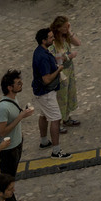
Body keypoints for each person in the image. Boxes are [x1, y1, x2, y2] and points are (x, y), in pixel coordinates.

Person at [31, 25, 69, 157]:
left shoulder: (40, 51)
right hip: (46, 93)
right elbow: (46, 79)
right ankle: (56, 151)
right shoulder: (42, 56)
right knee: (55, 118)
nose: (53, 39)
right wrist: (58, 69)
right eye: (51, 37)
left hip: (41, 92)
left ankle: (44, 141)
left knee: (44, 115)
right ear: (43, 40)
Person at [0, 69, 33, 179]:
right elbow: (2, 132)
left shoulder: (13, 98)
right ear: (10, 88)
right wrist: (20, 116)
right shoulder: (3, 108)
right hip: (9, 149)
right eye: (18, 83)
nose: (21, 84)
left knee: (12, 176)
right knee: (8, 179)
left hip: (17, 143)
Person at [48, 15, 82, 128]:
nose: (67, 28)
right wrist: (68, 56)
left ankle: (67, 117)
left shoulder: (66, 36)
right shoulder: (53, 41)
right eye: (64, 27)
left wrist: (69, 31)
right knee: (61, 97)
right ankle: (58, 122)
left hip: (69, 69)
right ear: (58, 28)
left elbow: (78, 43)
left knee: (70, 93)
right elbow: (53, 58)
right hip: (61, 72)